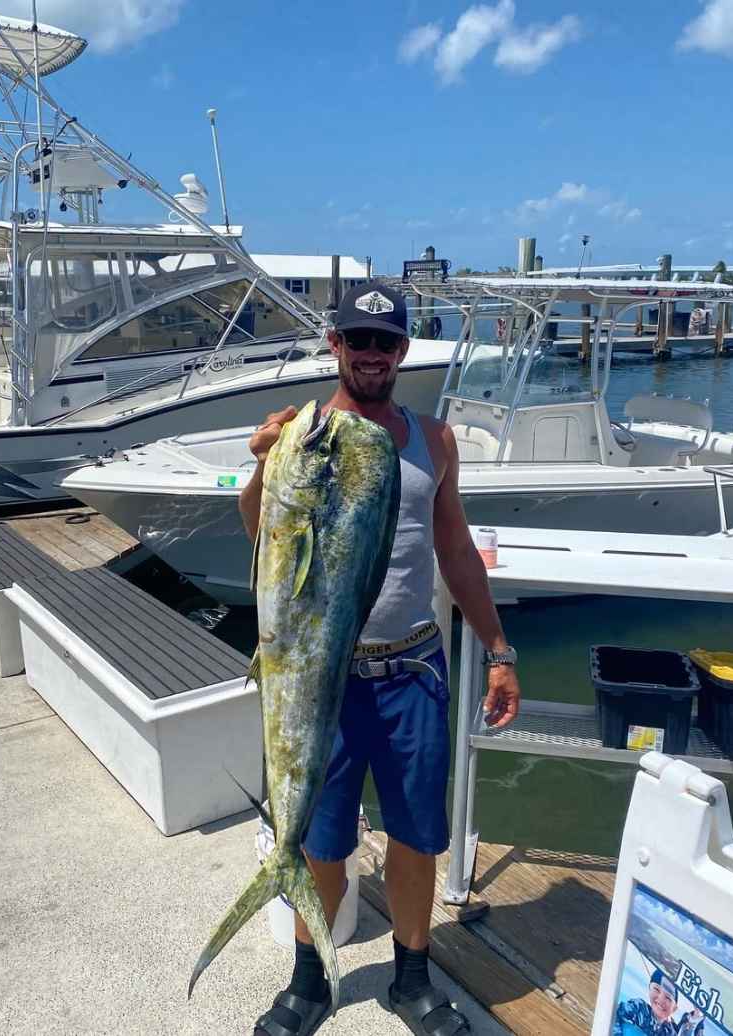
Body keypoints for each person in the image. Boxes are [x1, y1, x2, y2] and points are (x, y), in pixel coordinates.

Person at [239, 280, 522, 1036]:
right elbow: (260, 531)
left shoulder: (436, 440)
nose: (371, 354)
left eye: (386, 342)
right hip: (322, 679)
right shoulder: (302, 431)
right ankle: (310, 982)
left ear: (402, 350)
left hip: (413, 670)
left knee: (416, 837)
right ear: (335, 344)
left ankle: (412, 978)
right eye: (357, 340)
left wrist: (499, 649)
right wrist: (266, 465)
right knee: (321, 839)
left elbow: (456, 551)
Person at [613, 969, 681, 1036]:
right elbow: (615, 1014)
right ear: (650, 988)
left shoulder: (669, 1032)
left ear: (674, 1009)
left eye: (668, 998)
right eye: (657, 989)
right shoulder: (639, 1007)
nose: (661, 999)